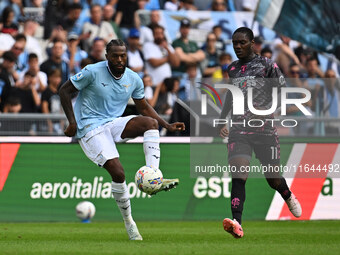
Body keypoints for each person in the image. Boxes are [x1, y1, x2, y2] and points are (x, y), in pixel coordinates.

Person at [59, 39, 185, 240]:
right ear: (107, 56)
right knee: (118, 173)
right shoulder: (92, 71)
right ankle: (129, 222)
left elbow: (143, 107)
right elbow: (64, 90)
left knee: (150, 123)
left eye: (123, 55)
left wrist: (166, 125)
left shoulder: (133, 78)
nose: (119, 59)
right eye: (115, 55)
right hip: (90, 128)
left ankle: (154, 176)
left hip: (112, 123)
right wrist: (72, 122)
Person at [219, 27, 302, 238]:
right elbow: (231, 95)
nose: (237, 46)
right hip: (239, 130)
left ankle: (288, 195)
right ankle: (237, 222)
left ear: (252, 43)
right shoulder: (233, 69)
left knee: (272, 179)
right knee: (239, 174)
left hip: (264, 130)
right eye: (234, 43)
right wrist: (223, 118)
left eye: (242, 42)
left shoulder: (268, 65)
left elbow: (282, 90)